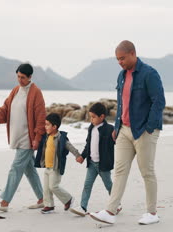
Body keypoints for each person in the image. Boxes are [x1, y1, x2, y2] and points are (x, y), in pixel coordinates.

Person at [89, 40, 166, 225]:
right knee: (120, 171)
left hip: (144, 131)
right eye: (117, 59)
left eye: (122, 58)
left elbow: (159, 101)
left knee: (147, 171)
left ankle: (152, 213)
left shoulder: (149, 74)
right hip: (124, 130)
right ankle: (110, 211)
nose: (120, 62)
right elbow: (121, 103)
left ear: (133, 54)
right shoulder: (121, 76)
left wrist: (149, 127)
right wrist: (117, 127)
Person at [0, 63, 46, 212]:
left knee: (16, 168)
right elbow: (5, 109)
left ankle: (4, 202)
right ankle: (43, 199)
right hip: (17, 137)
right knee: (29, 169)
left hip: (27, 138)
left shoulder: (36, 93)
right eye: (18, 76)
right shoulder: (16, 91)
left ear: (30, 77)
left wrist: (37, 137)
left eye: (23, 77)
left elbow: (40, 117)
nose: (20, 80)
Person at [70, 102, 121, 217]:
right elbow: (88, 144)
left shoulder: (110, 129)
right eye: (90, 117)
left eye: (93, 117)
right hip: (92, 163)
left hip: (103, 164)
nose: (91, 119)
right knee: (87, 185)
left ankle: (117, 204)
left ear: (102, 116)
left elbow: (118, 140)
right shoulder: (91, 128)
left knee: (108, 185)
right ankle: (83, 207)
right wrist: (83, 156)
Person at [34, 113, 82, 214]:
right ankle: (49, 206)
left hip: (55, 167)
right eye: (45, 124)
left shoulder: (61, 138)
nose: (45, 126)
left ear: (55, 126)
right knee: (46, 188)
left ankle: (68, 199)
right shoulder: (46, 136)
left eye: (47, 125)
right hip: (47, 167)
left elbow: (70, 146)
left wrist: (77, 155)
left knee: (53, 186)